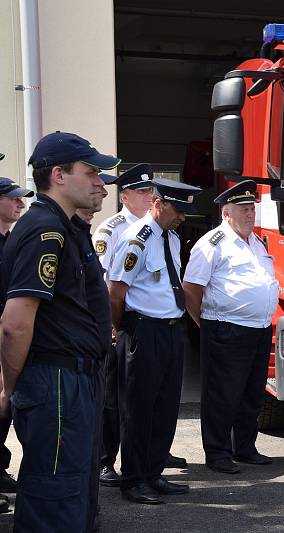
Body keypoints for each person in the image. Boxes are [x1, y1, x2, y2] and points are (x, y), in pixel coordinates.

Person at [0, 131, 119, 531]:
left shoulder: (65, 228)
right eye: (92, 172)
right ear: (59, 175)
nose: (101, 183)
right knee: (55, 498)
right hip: (55, 382)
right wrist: (7, 387)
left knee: (75, 492)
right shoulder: (44, 230)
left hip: (75, 380)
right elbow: (16, 323)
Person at [108, 177, 201, 505]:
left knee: (164, 407)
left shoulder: (171, 239)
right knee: (138, 409)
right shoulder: (137, 238)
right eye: (177, 209)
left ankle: (153, 473)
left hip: (170, 331)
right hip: (143, 331)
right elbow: (116, 293)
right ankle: (133, 480)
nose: (183, 217)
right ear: (158, 204)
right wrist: (116, 330)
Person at [183, 180, 278, 474]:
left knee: (251, 393)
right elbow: (191, 290)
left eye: (252, 209)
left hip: (258, 329)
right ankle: (217, 452)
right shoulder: (212, 243)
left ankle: (245, 448)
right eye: (244, 209)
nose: (251, 214)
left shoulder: (256, 243)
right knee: (222, 395)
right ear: (227, 213)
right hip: (226, 329)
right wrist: (206, 324)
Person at [73, 176, 116, 532]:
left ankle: (88, 514)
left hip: (90, 358)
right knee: (60, 467)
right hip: (64, 367)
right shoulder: (51, 234)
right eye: (93, 179)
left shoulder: (78, 233)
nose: (102, 189)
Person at [0, 177, 34, 512]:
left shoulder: (12, 241)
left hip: (7, 337)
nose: (19, 204)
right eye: (12, 199)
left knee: (6, 411)